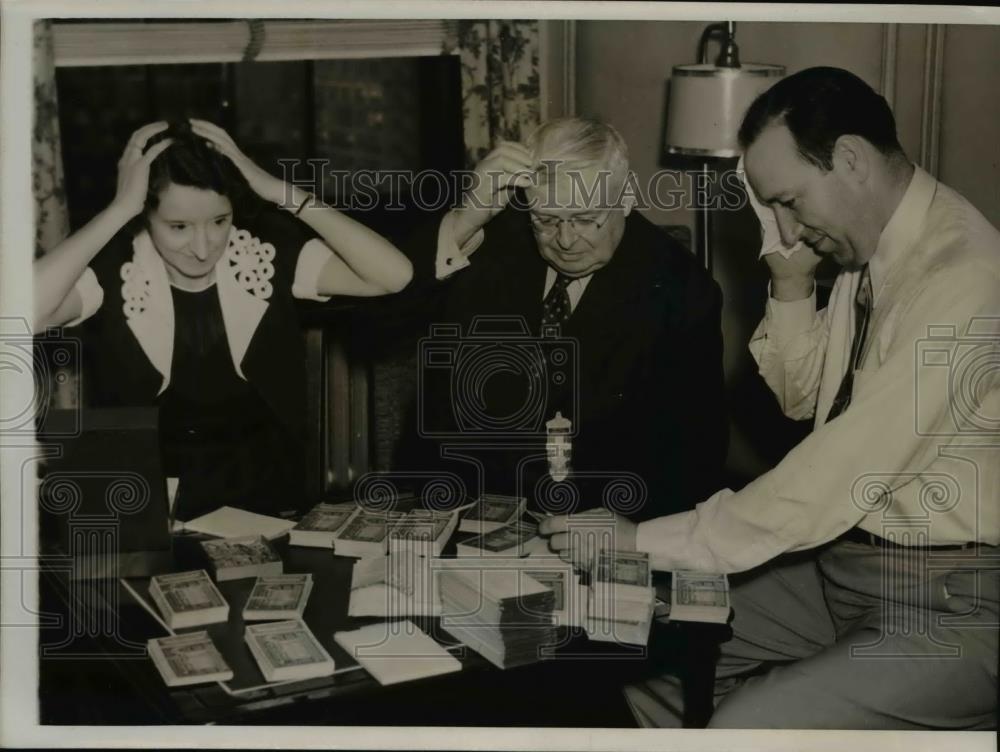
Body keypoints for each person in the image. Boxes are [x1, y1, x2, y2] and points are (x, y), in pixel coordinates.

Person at [540, 68, 1000, 729]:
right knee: (638, 666)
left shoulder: (963, 279)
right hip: (843, 565)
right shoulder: (871, 251)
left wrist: (637, 539)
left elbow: (832, 474)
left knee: (743, 730)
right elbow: (806, 398)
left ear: (850, 160)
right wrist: (789, 286)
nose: (784, 225)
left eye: (788, 201)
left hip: (954, 599)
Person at [35, 120, 413, 520]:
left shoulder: (263, 255)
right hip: (145, 513)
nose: (202, 248)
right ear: (145, 214)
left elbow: (394, 275)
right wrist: (118, 210)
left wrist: (279, 191)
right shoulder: (119, 270)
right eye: (178, 227)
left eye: (219, 221)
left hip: (269, 506)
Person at [396, 117, 727, 521]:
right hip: (466, 509)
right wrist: (464, 218)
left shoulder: (683, 291)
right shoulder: (489, 241)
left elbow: (693, 459)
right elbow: (389, 314)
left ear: (624, 198)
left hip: (604, 520)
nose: (566, 241)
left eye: (587, 219)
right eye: (547, 220)